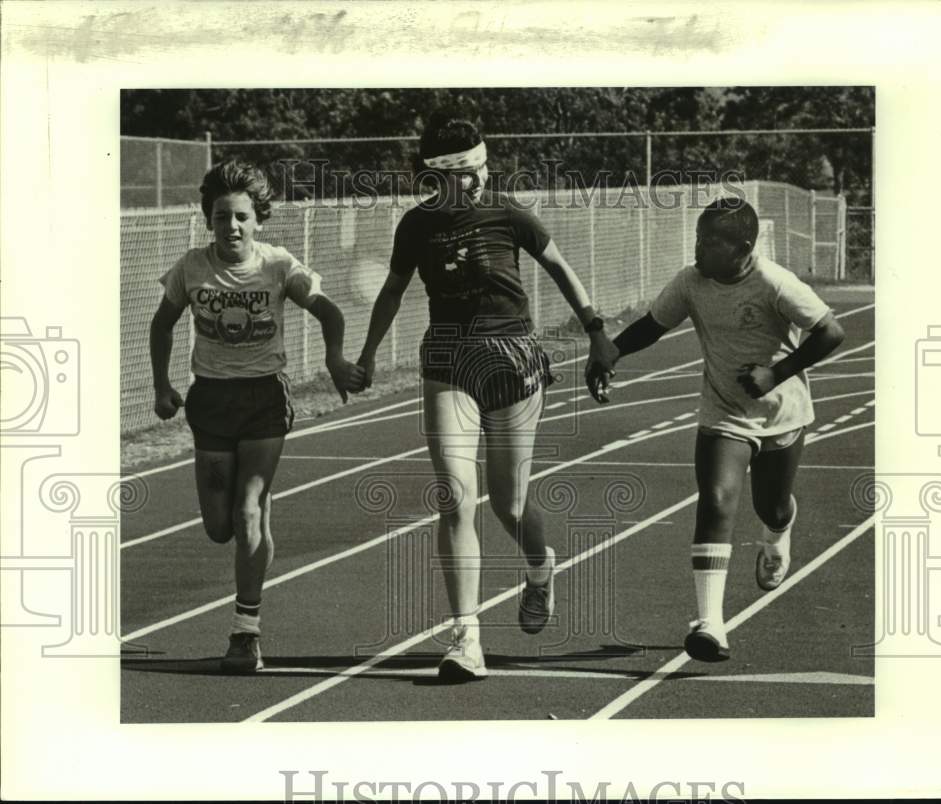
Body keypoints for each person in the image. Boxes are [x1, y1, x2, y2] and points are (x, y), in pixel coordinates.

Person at [358, 113, 618, 680]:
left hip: (511, 358)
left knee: (510, 504)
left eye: (481, 169)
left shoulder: (507, 212)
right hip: (448, 362)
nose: (476, 181)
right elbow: (393, 291)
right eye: (464, 173)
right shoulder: (416, 227)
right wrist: (368, 354)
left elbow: (560, 268)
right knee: (454, 495)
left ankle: (539, 566)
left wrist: (597, 332)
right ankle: (465, 638)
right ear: (436, 176)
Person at [588, 196, 845, 662]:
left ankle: (778, 531)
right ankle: (710, 623)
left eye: (710, 241)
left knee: (772, 505)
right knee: (718, 498)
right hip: (723, 411)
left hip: (781, 414)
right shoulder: (691, 282)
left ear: (743, 247)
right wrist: (612, 353)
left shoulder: (775, 283)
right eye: (698, 237)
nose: (698, 248)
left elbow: (831, 332)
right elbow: (652, 324)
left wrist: (776, 373)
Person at [149, 160, 365, 673]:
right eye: (222, 216)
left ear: (258, 219)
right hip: (212, 403)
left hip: (265, 399)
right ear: (209, 220)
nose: (232, 226)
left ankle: (245, 632)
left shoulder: (277, 265)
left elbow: (329, 311)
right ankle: (257, 533)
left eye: (242, 216)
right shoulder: (191, 268)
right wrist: (162, 385)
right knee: (220, 528)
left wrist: (336, 360)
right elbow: (161, 325)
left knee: (248, 512)